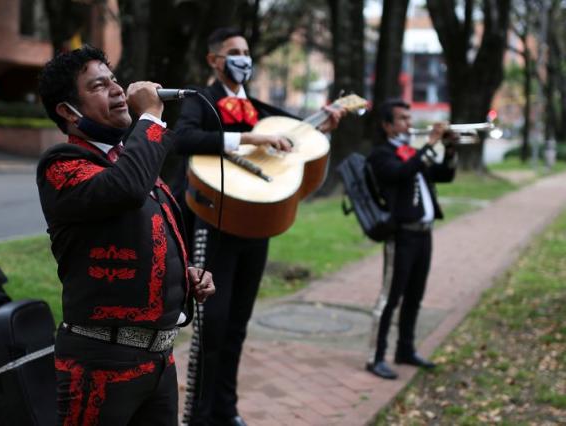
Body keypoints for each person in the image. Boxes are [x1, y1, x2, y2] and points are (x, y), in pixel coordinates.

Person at [172, 28, 346, 426]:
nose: (243, 59)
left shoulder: (257, 106)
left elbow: (293, 135)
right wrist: (245, 137)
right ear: (214, 60)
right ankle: (198, 416)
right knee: (210, 327)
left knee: (237, 324)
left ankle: (225, 410)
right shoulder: (203, 99)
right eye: (234, 52)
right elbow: (182, 139)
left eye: (247, 52)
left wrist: (323, 125)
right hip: (212, 220)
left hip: (254, 223)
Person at [36, 45, 215, 425]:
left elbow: (143, 232)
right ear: (69, 112)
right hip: (100, 362)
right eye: (99, 86)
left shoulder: (131, 160)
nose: (118, 90)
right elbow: (126, 190)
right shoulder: (63, 164)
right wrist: (150, 116)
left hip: (159, 361)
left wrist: (184, 277)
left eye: (114, 80)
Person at [365, 99, 458, 380]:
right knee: (390, 297)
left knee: (415, 295)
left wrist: (450, 148)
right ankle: (375, 357)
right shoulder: (381, 156)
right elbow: (401, 173)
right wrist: (430, 144)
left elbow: (444, 175)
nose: (409, 123)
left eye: (409, 117)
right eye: (403, 118)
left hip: (424, 234)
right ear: (387, 125)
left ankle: (405, 349)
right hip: (401, 235)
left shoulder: (410, 152)